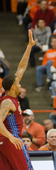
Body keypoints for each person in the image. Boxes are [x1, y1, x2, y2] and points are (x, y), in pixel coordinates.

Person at [0, 30, 36, 170]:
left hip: (4, 141)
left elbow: (21, 68)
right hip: (12, 140)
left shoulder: (7, 94)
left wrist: (29, 47)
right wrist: (11, 137)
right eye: (19, 83)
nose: (20, 84)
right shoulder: (7, 101)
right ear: (13, 86)